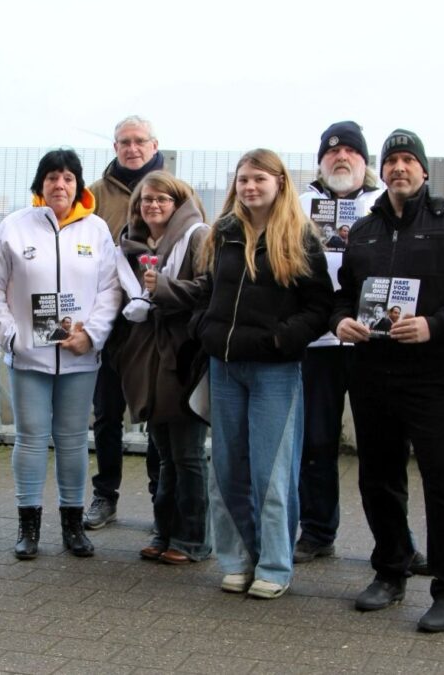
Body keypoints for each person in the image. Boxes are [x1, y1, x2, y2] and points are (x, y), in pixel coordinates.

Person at [331, 129, 444, 632]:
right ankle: (391, 568)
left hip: (430, 373)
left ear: (424, 171)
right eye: (392, 161)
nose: (399, 168)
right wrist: (340, 320)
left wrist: (434, 325)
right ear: (380, 172)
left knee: (442, 480)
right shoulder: (362, 231)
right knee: (377, 476)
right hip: (370, 370)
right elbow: (343, 294)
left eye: (409, 160)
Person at [153, 149, 333, 598]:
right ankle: (237, 561)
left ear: (279, 183)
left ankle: (274, 565)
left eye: (259, 179)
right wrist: (204, 328)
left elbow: (319, 308)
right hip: (224, 368)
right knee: (227, 469)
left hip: (275, 371)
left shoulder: (301, 237)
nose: (249, 187)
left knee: (272, 474)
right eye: (243, 179)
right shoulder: (223, 233)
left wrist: (278, 340)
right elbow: (208, 291)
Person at [0, 149, 121, 560]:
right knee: (31, 440)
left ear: (79, 185)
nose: (61, 185)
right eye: (53, 177)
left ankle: (73, 526)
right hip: (29, 359)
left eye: (69, 178)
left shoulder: (96, 231)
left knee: (74, 441)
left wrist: (90, 336)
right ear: (40, 184)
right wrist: (10, 336)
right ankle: (28, 526)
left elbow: (110, 290)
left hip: (78, 358)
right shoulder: (14, 228)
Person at [295, 121, 412, 567]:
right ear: (320, 162)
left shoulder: (385, 206)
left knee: (384, 449)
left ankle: (398, 542)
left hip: (374, 342)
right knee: (316, 443)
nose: (340, 158)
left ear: (366, 164)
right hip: (317, 343)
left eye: (350, 152)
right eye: (331, 152)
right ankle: (318, 531)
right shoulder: (300, 205)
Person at [117, 171, 212, 565]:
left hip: (183, 354)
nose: (153, 206)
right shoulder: (131, 246)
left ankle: (193, 539)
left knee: (188, 453)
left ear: (179, 202)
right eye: (146, 200)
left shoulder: (198, 235)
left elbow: (209, 286)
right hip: (148, 355)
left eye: (162, 199)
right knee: (163, 453)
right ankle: (163, 531)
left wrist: (164, 290)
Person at [84, 116, 166, 530]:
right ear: (114, 147)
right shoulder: (94, 194)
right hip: (107, 323)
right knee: (106, 414)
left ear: (155, 145)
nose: (132, 148)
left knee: (157, 414)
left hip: (156, 325)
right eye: (123, 142)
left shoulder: (174, 189)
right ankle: (105, 495)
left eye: (139, 141)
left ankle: (160, 497)